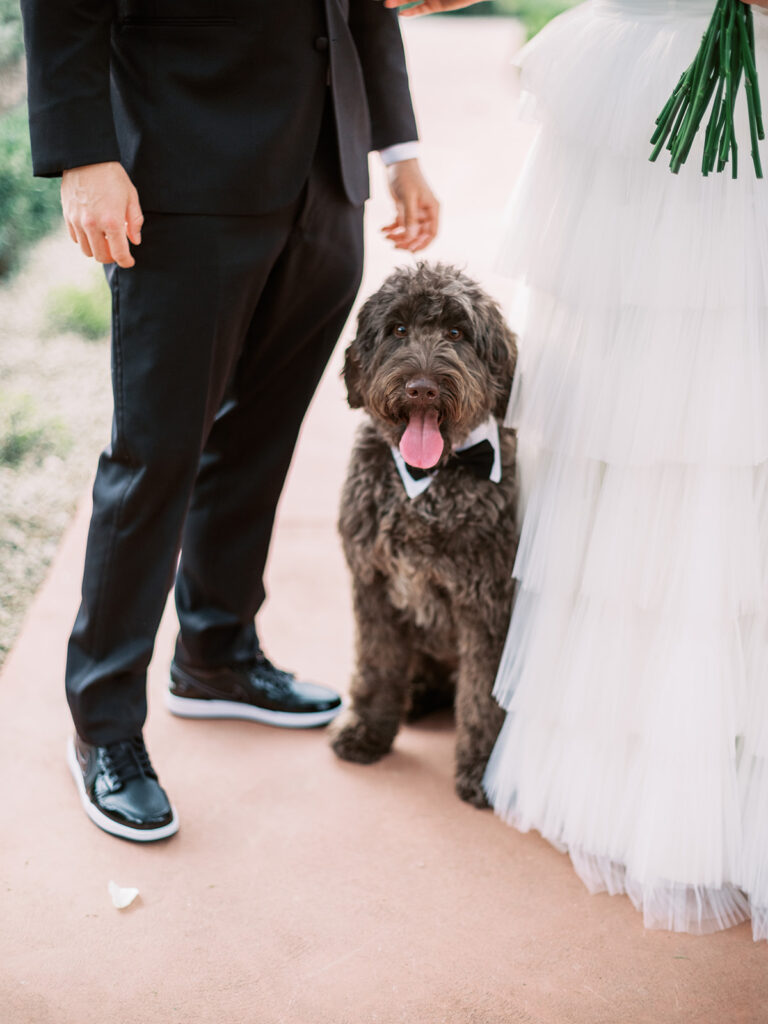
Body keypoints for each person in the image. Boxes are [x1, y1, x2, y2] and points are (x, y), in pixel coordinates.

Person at [386, 0, 768, 940]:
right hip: (646, 73)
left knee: (731, 401)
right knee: (625, 405)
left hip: (730, 78)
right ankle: (624, 748)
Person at [20, 0, 439, 843]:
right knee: (157, 451)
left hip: (325, 168)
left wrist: (398, 147)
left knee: (261, 433)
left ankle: (215, 651)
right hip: (182, 163)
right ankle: (103, 726)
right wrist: (85, 152)